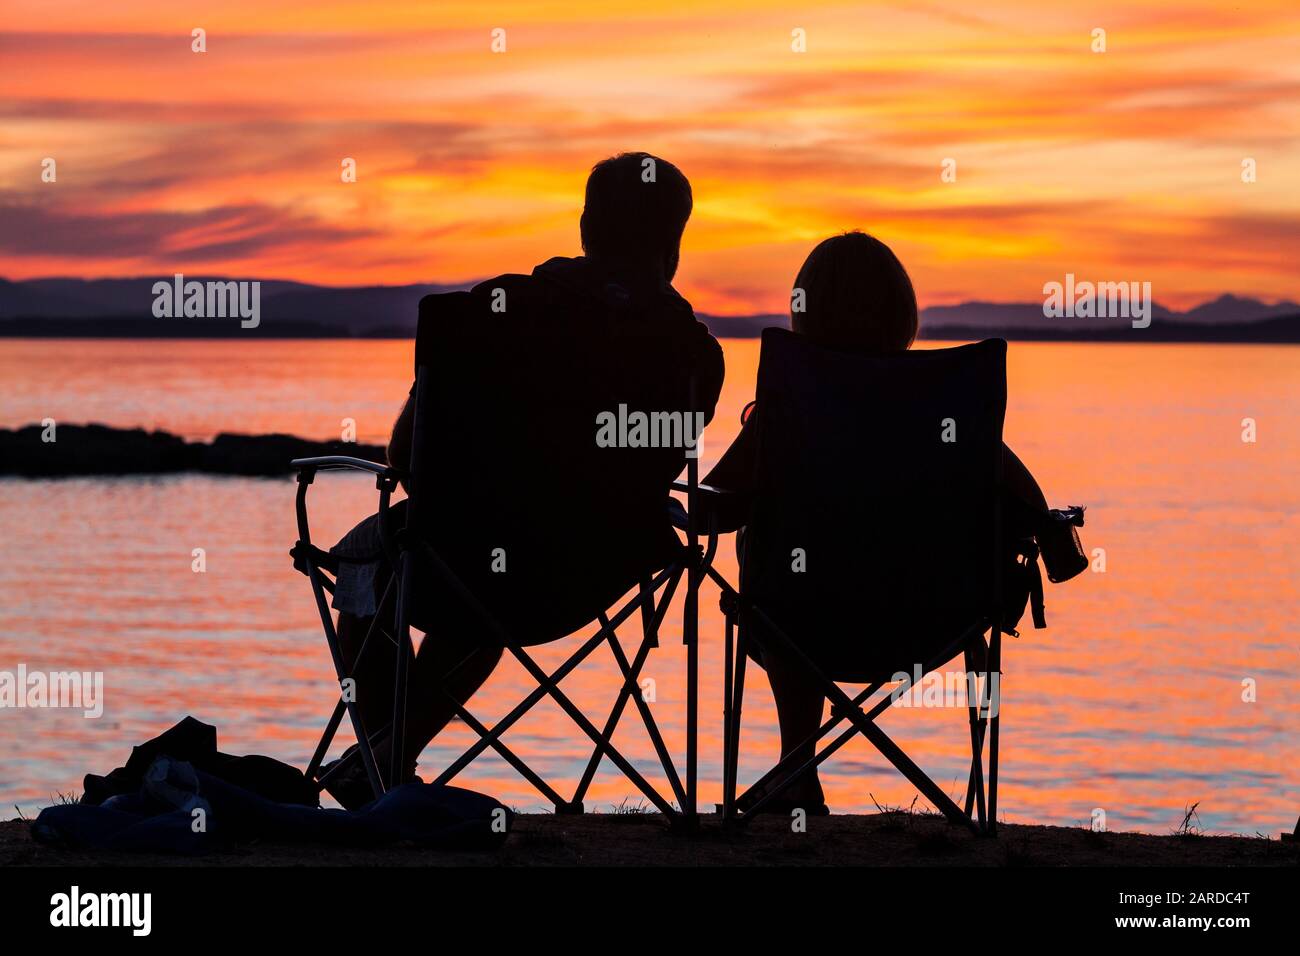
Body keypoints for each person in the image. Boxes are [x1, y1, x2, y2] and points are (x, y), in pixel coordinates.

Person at [323, 153, 724, 809]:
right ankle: (387, 761)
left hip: (465, 558)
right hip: (591, 570)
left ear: (587, 227)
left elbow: (403, 457)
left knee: (371, 563)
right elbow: (653, 469)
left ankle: (380, 764)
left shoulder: (488, 313)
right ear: (675, 240)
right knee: (489, 583)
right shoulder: (695, 354)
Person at [705, 231, 1050, 814]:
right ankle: (967, 813)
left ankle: (797, 767)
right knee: (790, 587)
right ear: (903, 312)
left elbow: (715, 507)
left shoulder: (788, 415)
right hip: (935, 619)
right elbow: (1032, 504)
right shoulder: (947, 406)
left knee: (779, 579)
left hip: (803, 621)